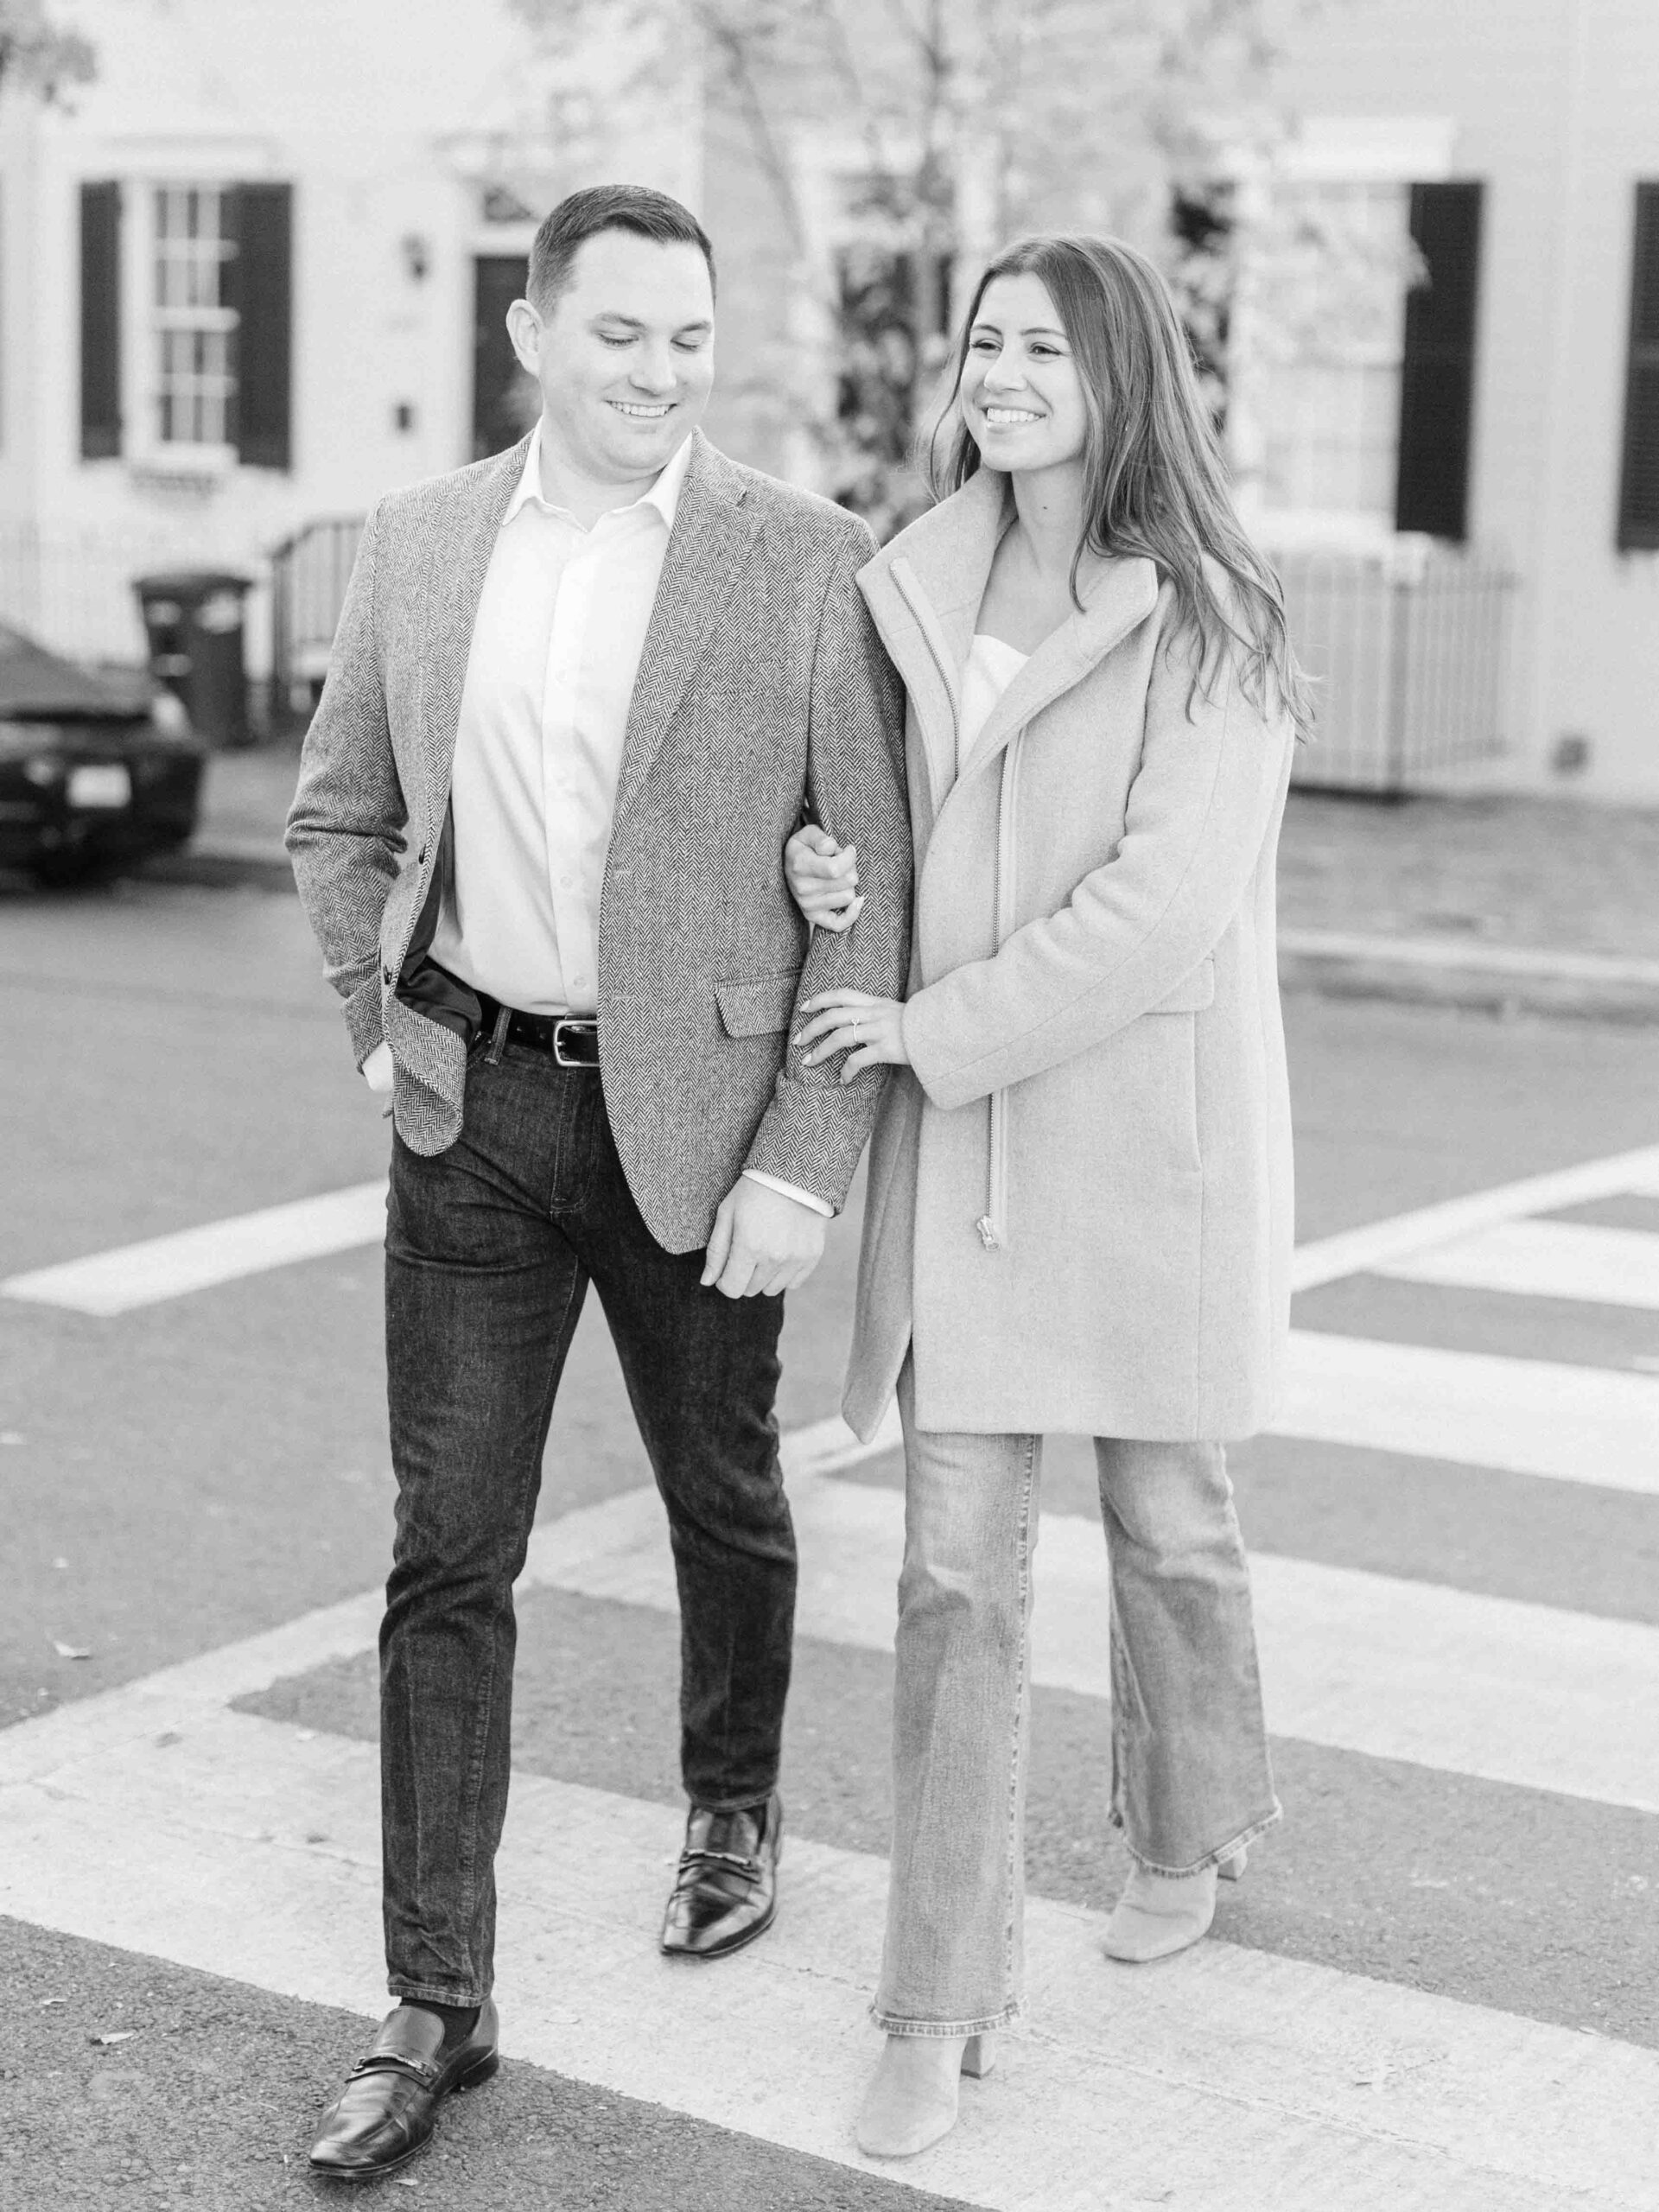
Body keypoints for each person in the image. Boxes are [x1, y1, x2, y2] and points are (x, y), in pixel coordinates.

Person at [286, 183, 909, 2183]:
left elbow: (867, 879)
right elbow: (341, 810)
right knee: (444, 1549)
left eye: (688, 338)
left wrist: (807, 1161)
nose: (659, 372)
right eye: (621, 333)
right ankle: (433, 2003)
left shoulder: (804, 560)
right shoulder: (421, 545)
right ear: (537, 333)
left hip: (701, 1120)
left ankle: (733, 1797)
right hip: (472, 1112)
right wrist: (378, 1032)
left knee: (722, 1490)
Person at [786, 231, 1309, 2161]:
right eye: (982, 341)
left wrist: (930, 1021)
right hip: (970, 1160)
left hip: (1135, 1137)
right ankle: (937, 2002)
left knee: (1171, 1519)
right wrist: (836, 883)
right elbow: (868, 809)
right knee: (947, 1574)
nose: (998, 370)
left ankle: (1192, 1816)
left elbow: (1156, 914)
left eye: (1037, 346)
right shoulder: (905, 576)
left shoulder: (1213, 622)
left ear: (1117, 373)